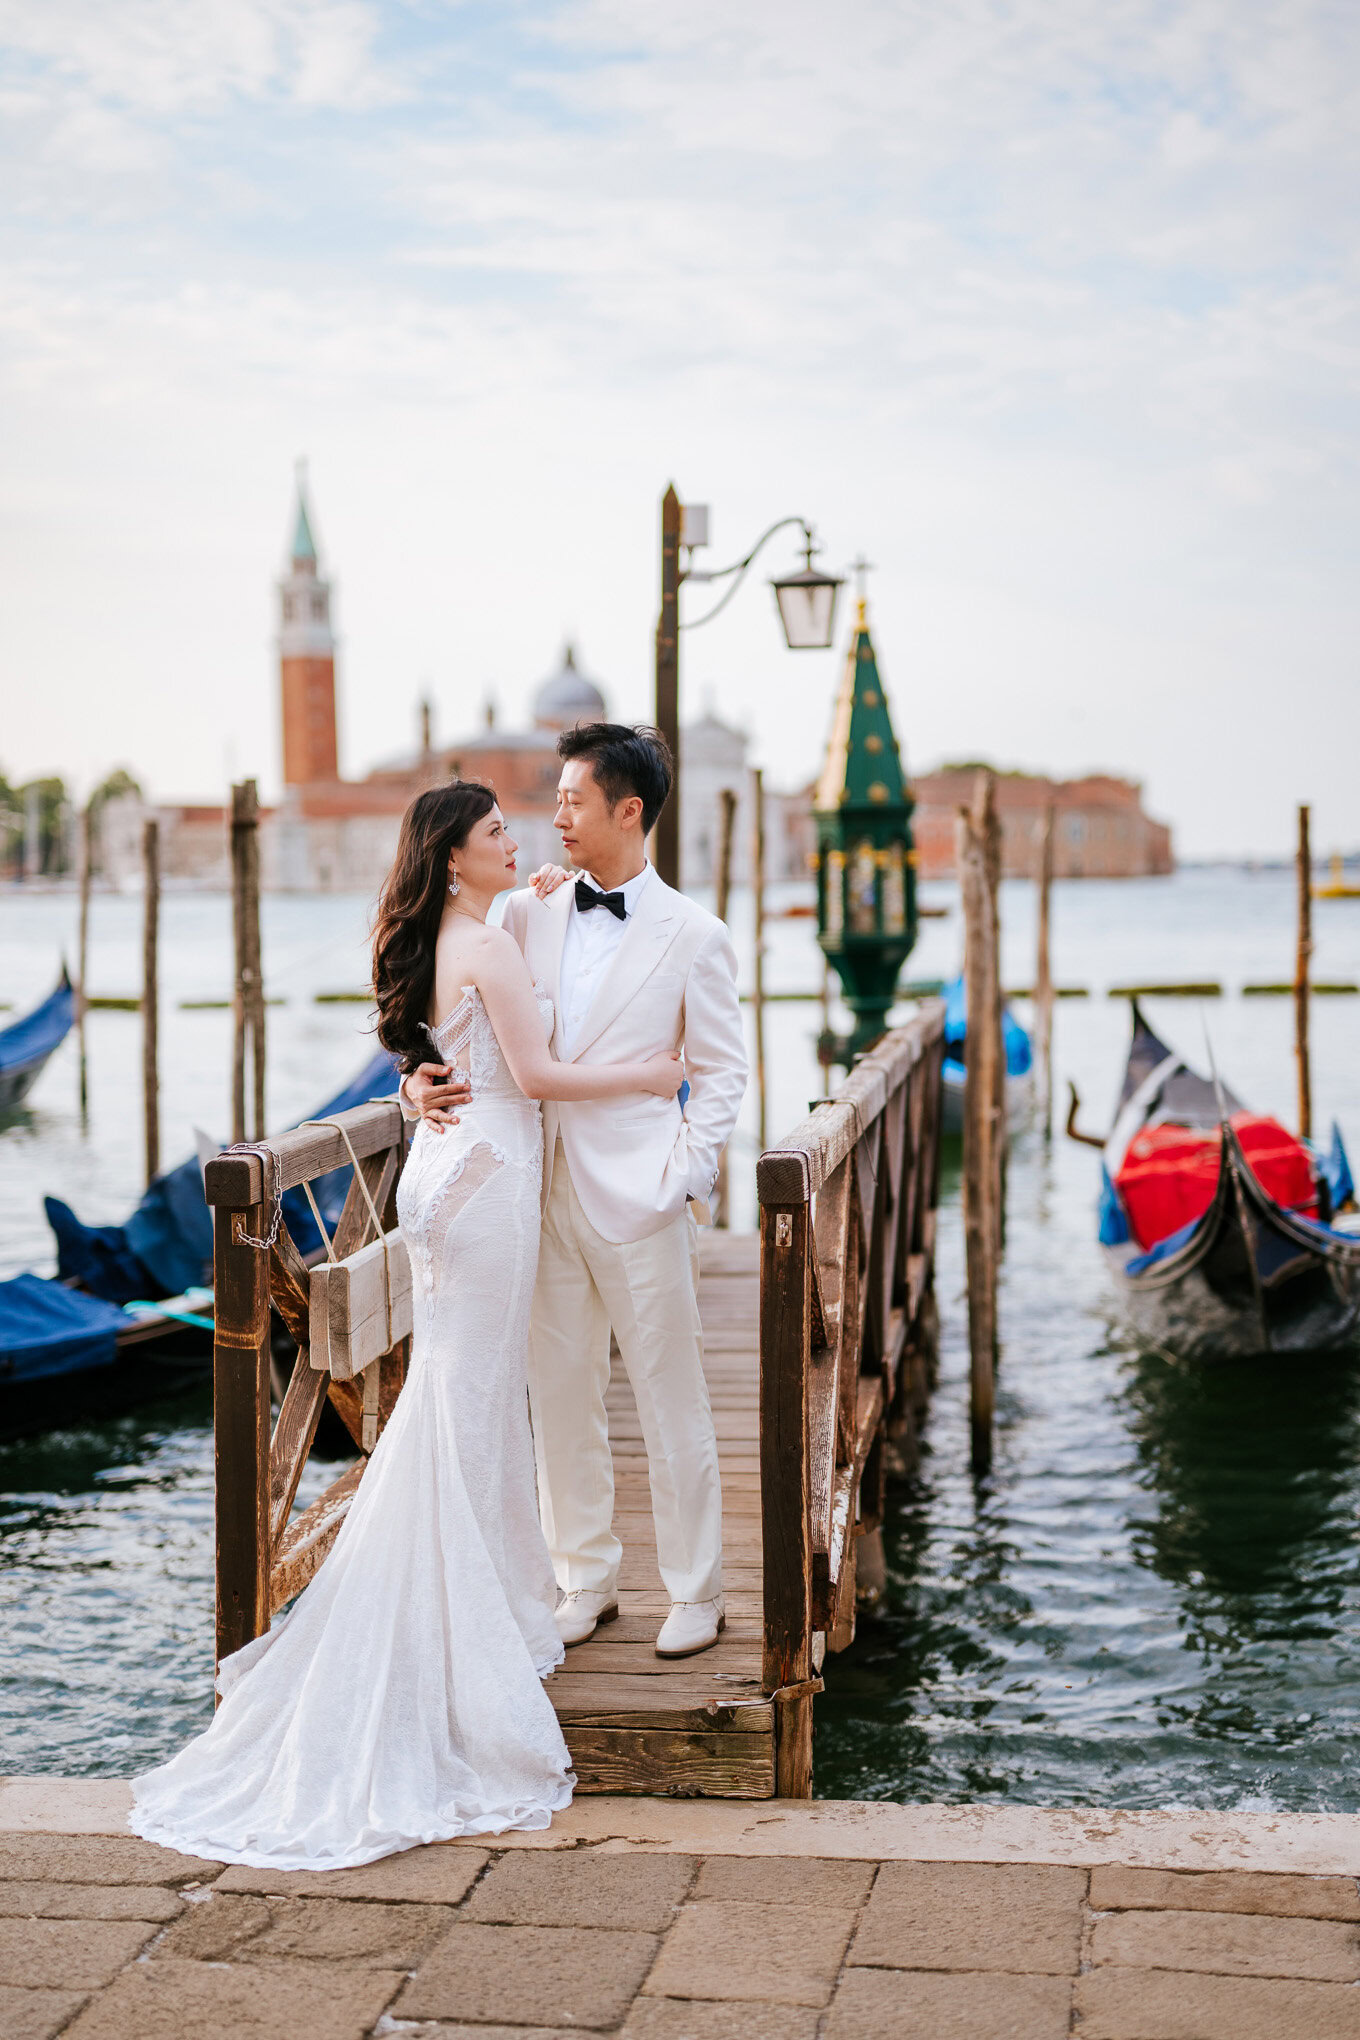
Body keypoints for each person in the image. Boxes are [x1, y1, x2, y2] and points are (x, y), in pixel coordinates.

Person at [129, 780, 684, 1870]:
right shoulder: (485, 948)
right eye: (493, 832)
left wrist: (422, 1072)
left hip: (444, 1173)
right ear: (451, 853)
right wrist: (660, 1071)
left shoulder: (438, 939)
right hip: (487, 1180)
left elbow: (448, 1050)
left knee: (459, 1401)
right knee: (473, 1405)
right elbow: (537, 1075)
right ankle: (459, 1641)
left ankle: (491, 1611)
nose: (513, 835)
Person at [405, 724, 747, 1659]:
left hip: (641, 1196)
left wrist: (688, 1171)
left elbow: (720, 1074)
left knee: (671, 1398)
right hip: (532, 1195)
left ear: (626, 812)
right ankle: (585, 1577)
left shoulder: (696, 934)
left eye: (571, 800)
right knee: (560, 1396)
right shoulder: (524, 911)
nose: (553, 814)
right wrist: (411, 1087)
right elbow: (454, 1024)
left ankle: (695, 1591)